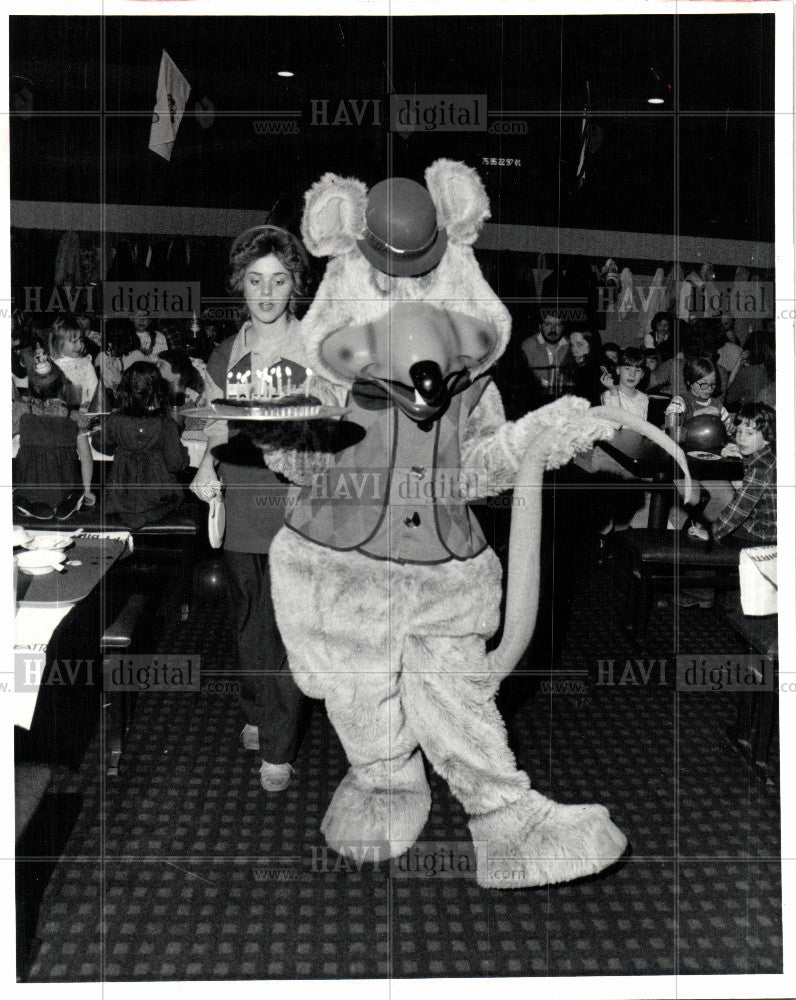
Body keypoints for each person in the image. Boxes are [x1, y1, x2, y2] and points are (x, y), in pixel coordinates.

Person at [190, 224, 339, 794]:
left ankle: (278, 746)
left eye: (279, 280)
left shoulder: (315, 347)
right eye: (256, 281)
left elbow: (337, 420)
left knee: (284, 629)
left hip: (297, 505)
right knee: (249, 622)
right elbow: (211, 421)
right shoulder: (227, 352)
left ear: (295, 285)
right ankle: (257, 706)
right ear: (241, 286)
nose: (267, 292)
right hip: (240, 499)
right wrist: (206, 468)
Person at [91, 361, 189, 530]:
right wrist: (184, 453)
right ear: (159, 392)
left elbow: (101, 446)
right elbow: (176, 464)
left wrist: (107, 440)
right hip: (157, 500)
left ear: (123, 391)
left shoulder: (114, 420)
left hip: (120, 499)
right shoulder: (166, 424)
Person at [13, 353, 94, 521]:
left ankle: (28, 501)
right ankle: (70, 499)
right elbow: (86, 458)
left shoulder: (21, 413)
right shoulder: (74, 417)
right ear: (63, 388)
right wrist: (87, 491)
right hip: (64, 482)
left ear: (31, 387)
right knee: (72, 482)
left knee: (23, 482)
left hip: (30, 482)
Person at [664, 356, 731, 433]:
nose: (709, 388)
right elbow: (670, 425)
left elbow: (728, 426)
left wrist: (729, 428)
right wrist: (698, 413)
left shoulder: (717, 405)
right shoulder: (680, 401)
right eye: (703, 384)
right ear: (690, 382)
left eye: (713, 384)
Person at [49, 313, 99, 409]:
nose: (79, 346)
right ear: (59, 343)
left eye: (81, 341)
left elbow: (94, 388)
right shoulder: (53, 364)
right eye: (74, 342)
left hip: (82, 410)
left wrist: (90, 402)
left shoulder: (85, 364)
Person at [520, 309, 569, 396]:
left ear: (563, 327)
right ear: (540, 326)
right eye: (547, 324)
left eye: (557, 325)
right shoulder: (528, 346)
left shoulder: (570, 345)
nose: (553, 329)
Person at [559, 328, 603, 404]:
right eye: (572, 345)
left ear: (592, 346)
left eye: (579, 345)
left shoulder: (600, 370)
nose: (574, 350)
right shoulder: (569, 367)